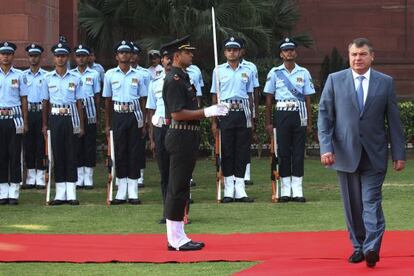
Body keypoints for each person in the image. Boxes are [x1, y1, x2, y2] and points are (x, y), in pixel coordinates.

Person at [318, 38, 405, 268]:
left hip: (375, 154)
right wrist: (326, 147)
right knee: (353, 205)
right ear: (349, 57)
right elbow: (325, 117)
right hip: (345, 153)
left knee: (371, 201)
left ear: (372, 56)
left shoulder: (385, 83)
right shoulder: (335, 80)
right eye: (354, 54)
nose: (358, 58)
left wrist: (399, 154)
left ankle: (372, 247)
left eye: (363, 54)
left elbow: (394, 121)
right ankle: (358, 246)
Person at [162, 35, 229, 251]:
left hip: (187, 136)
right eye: (187, 51)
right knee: (177, 187)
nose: (191, 54)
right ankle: (174, 238)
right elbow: (177, 113)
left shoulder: (183, 77)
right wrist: (207, 112)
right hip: (180, 136)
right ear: (176, 55)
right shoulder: (173, 80)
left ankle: (179, 235)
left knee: (182, 187)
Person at [264, 38, 315, 203]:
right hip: (282, 113)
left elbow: (308, 99)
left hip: (299, 113)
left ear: (296, 52)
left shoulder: (304, 72)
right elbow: (269, 99)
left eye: (292, 49)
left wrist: (309, 122)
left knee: (299, 152)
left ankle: (298, 189)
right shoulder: (274, 72)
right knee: (283, 152)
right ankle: (285, 190)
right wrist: (269, 122)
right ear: (281, 54)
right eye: (286, 50)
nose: (289, 53)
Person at [210, 37, 255, 203]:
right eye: (229, 49)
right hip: (226, 112)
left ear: (239, 51)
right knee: (227, 150)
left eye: (235, 49)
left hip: (243, 111)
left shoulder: (248, 70)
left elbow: (251, 96)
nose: (232, 52)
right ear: (224, 52)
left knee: (242, 151)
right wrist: (214, 121)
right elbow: (215, 96)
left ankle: (240, 188)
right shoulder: (218, 70)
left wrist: (252, 116)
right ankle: (228, 188)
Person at [103, 40, 147, 205]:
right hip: (118, 115)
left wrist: (144, 122)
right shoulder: (110, 75)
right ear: (116, 56)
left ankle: (133, 191)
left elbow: (143, 100)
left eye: (128, 52)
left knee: (134, 152)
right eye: (122, 52)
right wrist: (107, 124)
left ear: (132, 55)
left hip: (134, 115)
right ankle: (121, 191)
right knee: (120, 152)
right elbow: (107, 101)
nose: (125, 55)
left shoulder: (138, 75)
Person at [41, 42, 84, 205]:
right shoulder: (47, 78)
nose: (60, 59)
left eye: (63, 56)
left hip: (71, 116)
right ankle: (60, 193)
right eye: (58, 56)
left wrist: (81, 124)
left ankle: (71, 192)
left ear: (67, 58)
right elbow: (45, 103)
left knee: (71, 154)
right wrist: (45, 125)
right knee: (58, 154)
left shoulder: (75, 78)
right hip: (55, 118)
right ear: (54, 58)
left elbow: (79, 103)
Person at [0, 41, 28, 205]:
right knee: (1, 155)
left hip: (15, 118)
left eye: (8, 54)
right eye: (3, 53)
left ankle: (14, 192)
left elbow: (24, 99)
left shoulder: (19, 75)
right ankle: (3, 192)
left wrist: (25, 122)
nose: (5, 56)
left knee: (15, 154)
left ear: (13, 56)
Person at [146, 49, 171, 224]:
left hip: (178, 128)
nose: (168, 61)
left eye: (171, 57)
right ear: (161, 61)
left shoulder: (186, 81)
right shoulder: (155, 84)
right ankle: (167, 211)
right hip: (161, 128)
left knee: (179, 172)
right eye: (166, 58)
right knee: (164, 172)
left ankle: (182, 211)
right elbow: (151, 112)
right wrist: (152, 138)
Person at [71, 44, 101, 189]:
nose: (81, 59)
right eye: (78, 56)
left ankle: (88, 176)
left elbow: (97, 96)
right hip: (75, 111)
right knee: (77, 144)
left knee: (89, 144)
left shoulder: (94, 74)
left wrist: (96, 115)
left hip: (89, 111)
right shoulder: (71, 74)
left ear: (88, 57)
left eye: (83, 56)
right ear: (75, 58)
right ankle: (78, 175)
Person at [21, 43, 48, 190]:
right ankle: (31, 176)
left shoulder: (46, 75)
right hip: (28, 112)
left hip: (40, 111)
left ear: (40, 57)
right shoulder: (22, 76)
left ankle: (41, 175)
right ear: (28, 57)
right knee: (29, 144)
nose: (33, 58)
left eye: (36, 56)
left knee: (40, 144)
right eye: (31, 56)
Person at [130, 41, 151, 187]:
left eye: (135, 54)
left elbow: (148, 97)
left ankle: (140, 174)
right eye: (130, 53)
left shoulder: (144, 73)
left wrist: (148, 118)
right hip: (124, 112)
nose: (132, 57)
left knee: (138, 145)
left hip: (139, 113)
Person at [240, 38, 260, 186]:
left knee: (245, 144)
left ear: (243, 51)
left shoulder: (250, 67)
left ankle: (246, 174)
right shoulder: (220, 69)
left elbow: (254, 92)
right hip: (230, 110)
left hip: (246, 110)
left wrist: (254, 113)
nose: (236, 52)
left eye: (239, 49)